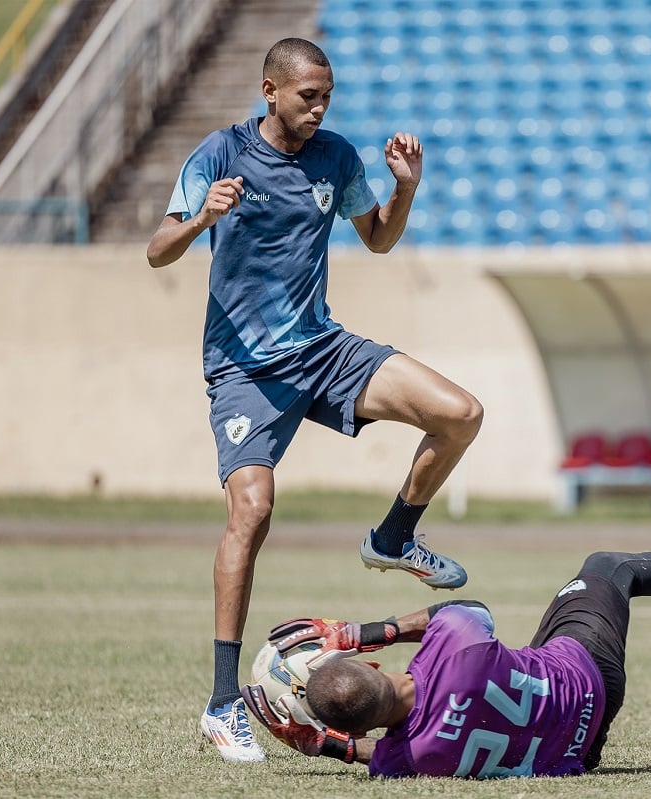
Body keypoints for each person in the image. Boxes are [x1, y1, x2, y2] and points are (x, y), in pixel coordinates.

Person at [146, 38, 483, 763]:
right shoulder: (219, 154)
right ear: (269, 89)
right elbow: (157, 248)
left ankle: (394, 537)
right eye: (307, 95)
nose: (320, 105)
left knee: (461, 413)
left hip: (324, 350)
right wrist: (203, 218)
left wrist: (407, 187)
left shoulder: (336, 155)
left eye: (326, 94)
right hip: (244, 370)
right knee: (253, 510)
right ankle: (221, 701)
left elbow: (381, 239)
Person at [242, 502, 651, 777]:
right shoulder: (454, 652)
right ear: (374, 666)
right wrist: (358, 633)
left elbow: (372, 756)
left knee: (532, 663)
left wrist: (324, 745)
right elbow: (469, 609)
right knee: (608, 567)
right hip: (585, 673)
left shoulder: (410, 761)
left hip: (580, 748)